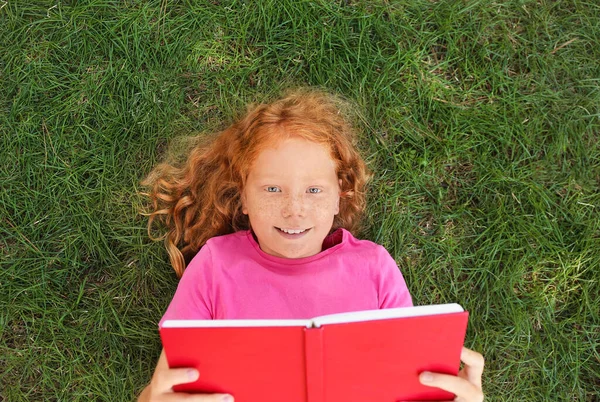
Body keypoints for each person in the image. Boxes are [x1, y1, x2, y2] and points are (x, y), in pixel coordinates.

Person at [138, 89, 485, 402]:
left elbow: (409, 386)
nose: (294, 210)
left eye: (314, 190)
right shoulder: (215, 265)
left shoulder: (375, 268)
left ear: (340, 195)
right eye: (272, 189)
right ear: (242, 197)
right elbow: (166, 385)